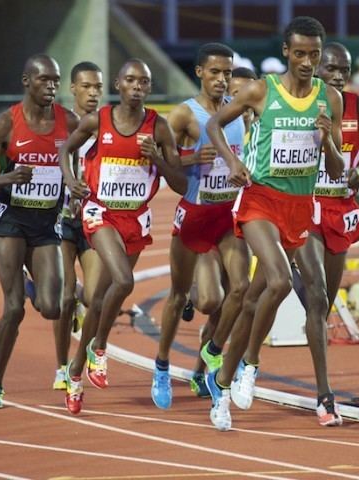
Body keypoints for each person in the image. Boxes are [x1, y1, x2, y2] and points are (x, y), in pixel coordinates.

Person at [204, 16, 344, 431]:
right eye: (299, 53)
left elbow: (335, 168)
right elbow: (214, 123)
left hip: (300, 205)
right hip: (260, 199)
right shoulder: (261, 90)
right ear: (286, 51)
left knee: (259, 297)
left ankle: (224, 382)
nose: (307, 62)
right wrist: (231, 162)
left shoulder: (329, 98)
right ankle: (251, 364)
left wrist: (328, 140)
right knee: (280, 282)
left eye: (314, 55)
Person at [59, 59, 187, 415]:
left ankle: (75, 371)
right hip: (100, 212)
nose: (137, 86)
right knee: (123, 279)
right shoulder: (97, 121)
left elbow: (180, 182)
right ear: (118, 83)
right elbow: (66, 149)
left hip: (136, 217)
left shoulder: (158, 127)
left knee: (99, 300)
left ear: (149, 87)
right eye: (130, 79)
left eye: (143, 82)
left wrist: (158, 160)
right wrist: (71, 181)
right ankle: (100, 347)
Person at [0, 54, 79, 408]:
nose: (51, 87)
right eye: (44, 80)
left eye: (56, 81)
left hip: (46, 222)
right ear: (26, 81)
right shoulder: (6, 124)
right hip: (10, 219)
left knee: (52, 307)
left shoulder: (70, 122)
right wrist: (8, 177)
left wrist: (74, 188)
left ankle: (30, 282)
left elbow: (74, 163)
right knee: (14, 308)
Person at [150, 43, 250, 409]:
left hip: (227, 216)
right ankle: (161, 366)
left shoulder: (239, 114)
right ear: (199, 73)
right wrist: (192, 158)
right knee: (198, 299)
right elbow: (164, 164)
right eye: (215, 73)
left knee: (241, 289)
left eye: (227, 73)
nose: (222, 79)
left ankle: (211, 354)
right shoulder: (183, 115)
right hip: (195, 215)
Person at [293, 41, 359, 426]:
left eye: (344, 69)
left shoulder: (358, 107)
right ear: (316, 67)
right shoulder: (298, 105)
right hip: (304, 208)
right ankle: (324, 395)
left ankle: (295, 289)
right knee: (316, 299)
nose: (338, 74)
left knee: (324, 302)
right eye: (331, 67)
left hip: (339, 210)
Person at [51, 61, 105, 390]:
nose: (93, 93)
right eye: (86, 87)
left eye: (98, 87)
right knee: (65, 298)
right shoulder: (61, 125)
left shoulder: (109, 127)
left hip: (96, 220)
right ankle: (61, 366)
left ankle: (82, 358)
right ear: (73, 88)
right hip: (61, 220)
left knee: (96, 295)